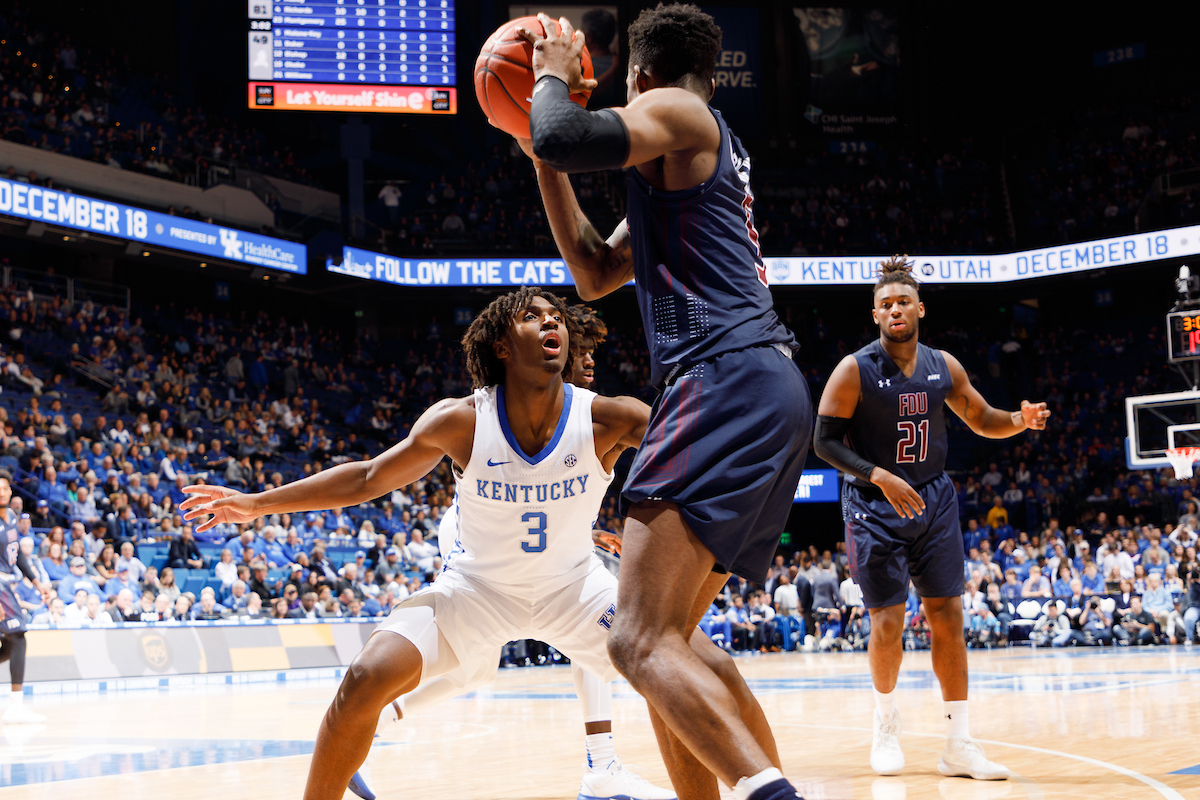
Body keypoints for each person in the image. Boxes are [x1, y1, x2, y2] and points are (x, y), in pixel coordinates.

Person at [182, 288, 666, 800]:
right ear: (501, 345)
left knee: (685, 673)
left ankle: (638, 771)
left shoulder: (610, 417)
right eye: (533, 316)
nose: (552, 323)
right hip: (478, 588)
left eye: (557, 317)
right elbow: (367, 477)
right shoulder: (460, 420)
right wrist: (257, 503)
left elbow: (691, 457)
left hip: (574, 587)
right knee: (366, 677)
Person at [518, 8, 813, 799]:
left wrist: (549, 73)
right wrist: (538, 154)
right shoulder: (680, 163)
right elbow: (590, 271)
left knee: (636, 640)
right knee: (670, 642)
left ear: (640, 78)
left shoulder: (680, 113)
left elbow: (563, 134)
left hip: (722, 375)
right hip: (756, 384)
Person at [814, 256, 1050, 780]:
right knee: (888, 621)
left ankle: (959, 744)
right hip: (873, 505)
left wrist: (1019, 419)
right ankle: (885, 724)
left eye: (902, 301)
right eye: (885, 304)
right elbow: (823, 441)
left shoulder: (944, 364)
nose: (894, 309)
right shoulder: (854, 369)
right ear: (874, 315)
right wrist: (879, 475)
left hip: (933, 499)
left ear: (919, 308)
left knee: (949, 618)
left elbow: (982, 418)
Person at [0, 474, 48, 722]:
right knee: (17, 637)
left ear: (10, 491)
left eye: (4, 487)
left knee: (8, 645)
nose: (1, 492)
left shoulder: (11, 517)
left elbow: (17, 555)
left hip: (8, 583)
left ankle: (16, 705)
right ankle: (16, 705)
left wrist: (36, 580)